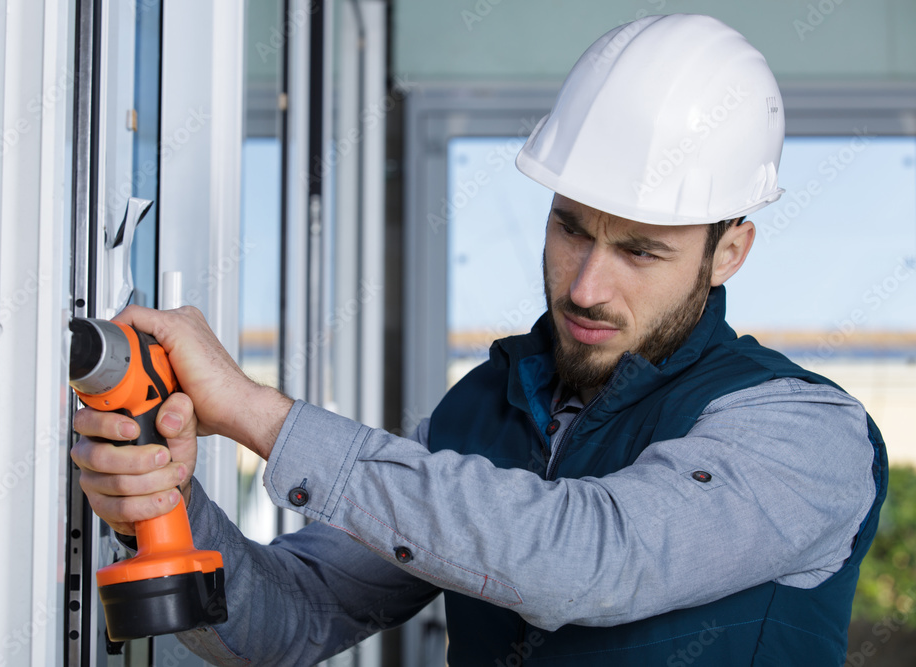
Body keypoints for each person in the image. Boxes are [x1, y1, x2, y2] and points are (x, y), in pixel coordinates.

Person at [72, 14, 887, 666]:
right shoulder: (479, 413)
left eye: (641, 250)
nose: (585, 285)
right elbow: (292, 618)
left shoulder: (805, 431)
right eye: (571, 229)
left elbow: (587, 558)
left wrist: (260, 415)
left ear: (730, 251)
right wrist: (163, 505)